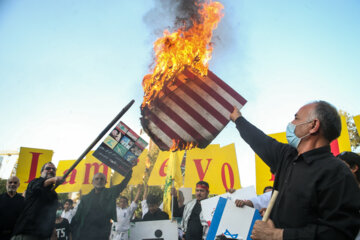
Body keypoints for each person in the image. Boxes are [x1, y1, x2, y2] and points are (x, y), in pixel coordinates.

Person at [230, 101, 360, 240]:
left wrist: (278, 235)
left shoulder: (337, 173)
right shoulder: (286, 156)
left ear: (313, 125)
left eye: (296, 118)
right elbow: (260, 141)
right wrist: (238, 119)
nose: (291, 123)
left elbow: (339, 232)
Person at [71, 170, 132, 240]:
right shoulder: (85, 198)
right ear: (92, 182)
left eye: (102, 179)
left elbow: (122, 185)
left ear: (105, 182)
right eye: (97, 179)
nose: (99, 180)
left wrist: (129, 170)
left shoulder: (110, 193)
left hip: (102, 232)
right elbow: (77, 217)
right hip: (85, 233)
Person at [12, 162, 64, 240]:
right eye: (48, 168)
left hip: (44, 236)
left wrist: (52, 231)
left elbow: (51, 215)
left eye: (53, 169)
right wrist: (53, 180)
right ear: (41, 172)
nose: (51, 170)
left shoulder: (53, 194)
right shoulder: (34, 182)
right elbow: (37, 187)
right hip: (27, 234)